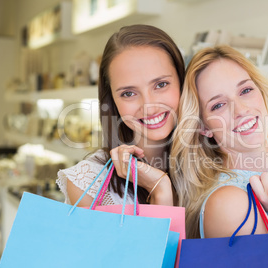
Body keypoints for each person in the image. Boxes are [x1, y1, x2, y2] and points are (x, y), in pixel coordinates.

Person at [170, 45, 268, 239]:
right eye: (218, 105)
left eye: (245, 90)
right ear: (203, 127)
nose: (241, 110)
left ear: (262, 92)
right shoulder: (229, 203)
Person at [57, 24, 185, 207]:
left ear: (181, 81)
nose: (149, 107)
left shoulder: (210, 161)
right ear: (112, 101)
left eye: (161, 84)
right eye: (129, 93)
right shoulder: (88, 183)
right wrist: (159, 189)